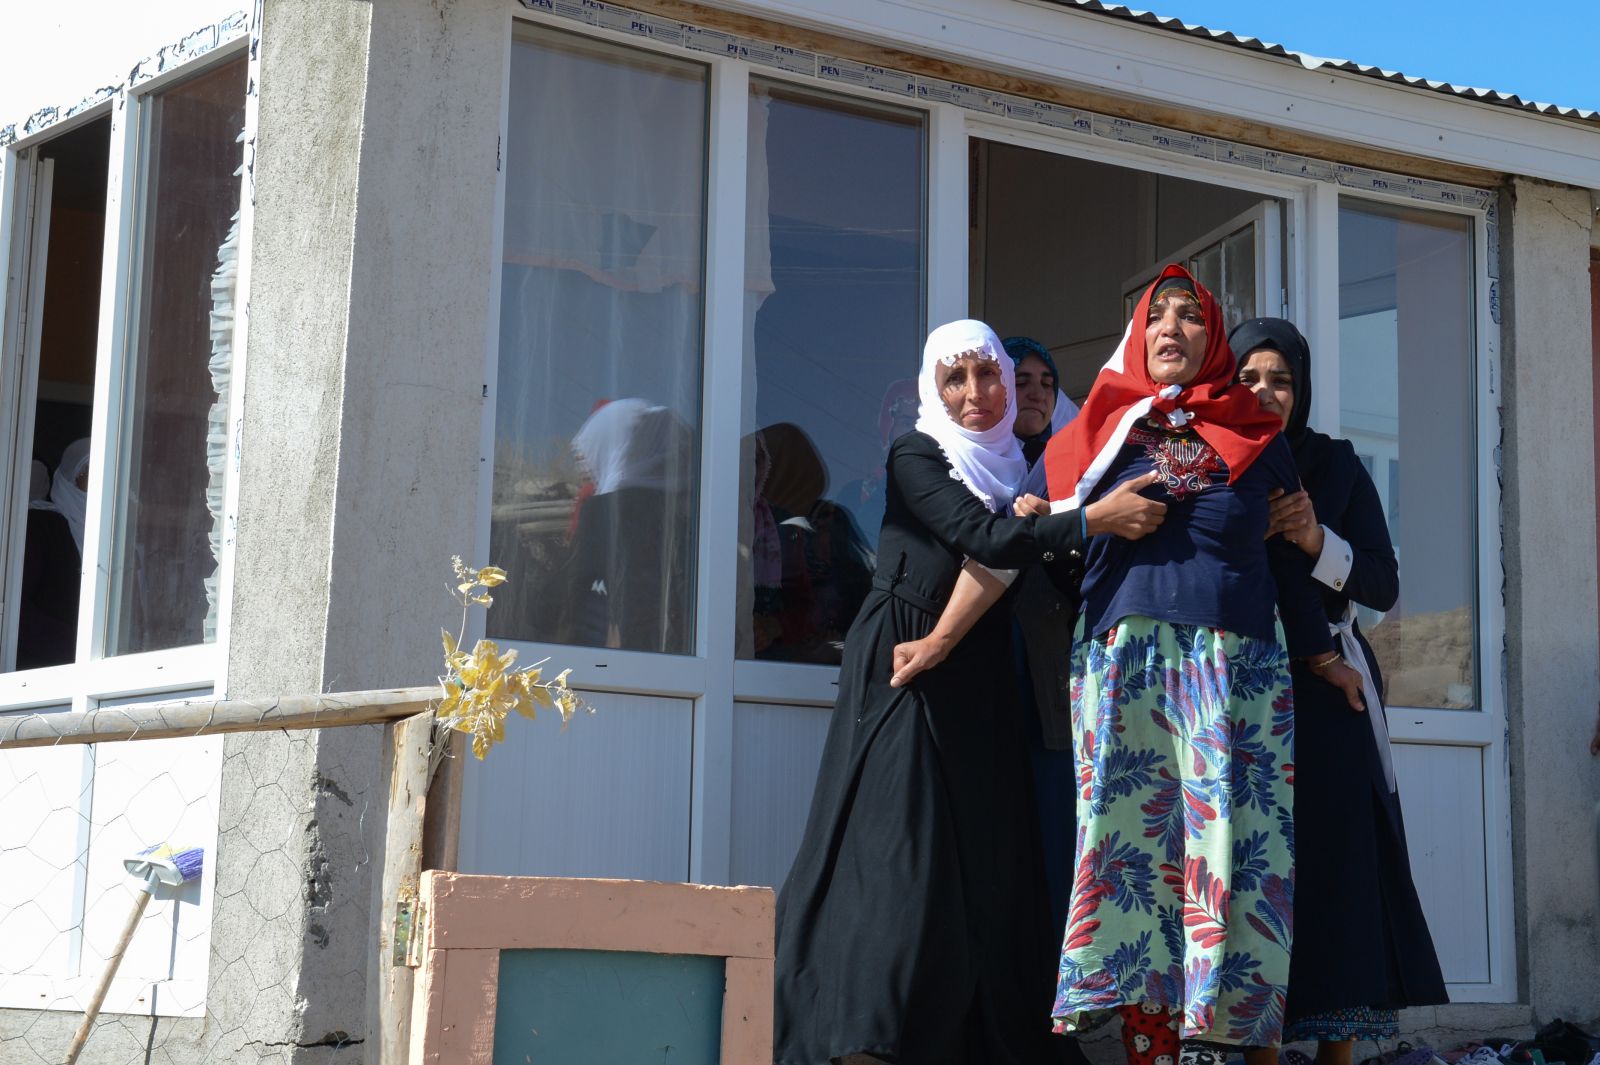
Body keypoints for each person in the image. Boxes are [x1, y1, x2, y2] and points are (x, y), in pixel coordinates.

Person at [776, 320, 1124, 1065]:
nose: (975, 394)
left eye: (988, 375)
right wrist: (1084, 519)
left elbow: (1045, 569)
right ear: (935, 391)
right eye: (955, 380)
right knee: (896, 841)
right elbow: (985, 540)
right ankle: (866, 1025)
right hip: (907, 660)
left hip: (981, 666)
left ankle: (969, 1034)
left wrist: (1058, 523)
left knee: (984, 856)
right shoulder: (918, 453)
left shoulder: (1020, 468)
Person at [1041, 266, 1362, 1064]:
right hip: (1126, 664)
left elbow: (1289, 562)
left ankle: (1217, 1048)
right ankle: (1148, 1049)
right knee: (1133, 865)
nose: (1173, 328)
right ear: (1139, 339)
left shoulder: (1257, 436)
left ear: (1211, 338)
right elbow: (1047, 561)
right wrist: (1086, 518)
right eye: (1159, 317)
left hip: (1235, 670)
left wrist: (1323, 655)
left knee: (1227, 865)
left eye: (1191, 316)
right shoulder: (1100, 431)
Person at [1231, 317, 1448, 1062]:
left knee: (1339, 870)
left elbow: (1383, 583)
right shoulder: (1208, 463)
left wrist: (1318, 540)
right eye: (1250, 377)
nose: (1265, 391)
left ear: (1303, 388)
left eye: (1281, 379)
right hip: (1239, 685)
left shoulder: (1337, 464)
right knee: (1254, 874)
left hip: (1331, 699)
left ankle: (1338, 1054)